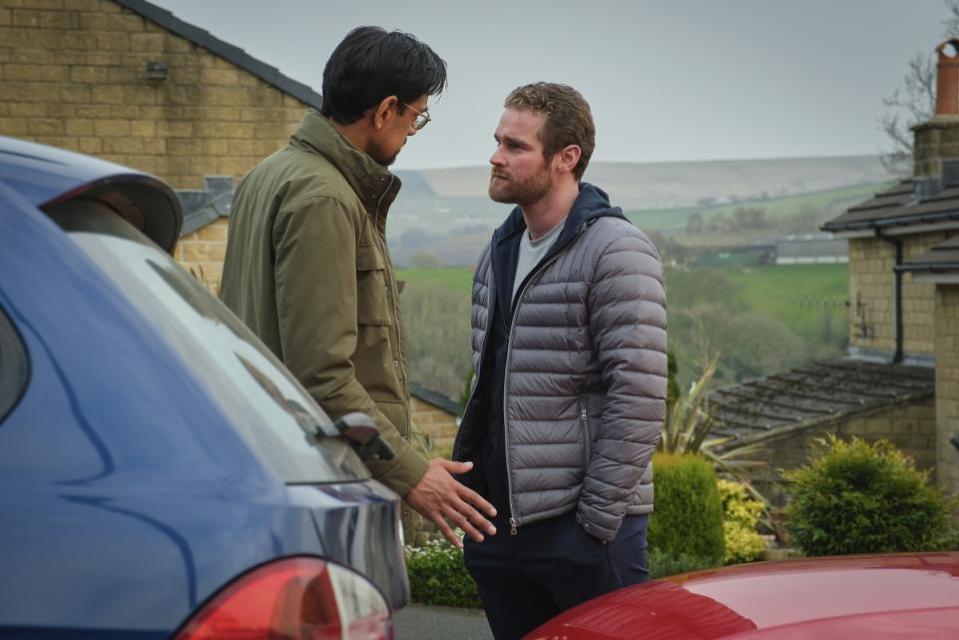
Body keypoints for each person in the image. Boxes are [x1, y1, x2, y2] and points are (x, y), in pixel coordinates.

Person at [219, 26, 496, 548]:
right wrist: (410, 470)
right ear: (386, 109)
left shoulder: (271, 174)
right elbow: (323, 378)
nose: (415, 129)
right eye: (417, 115)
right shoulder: (325, 198)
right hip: (322, 484)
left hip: (278, 470)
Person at [454, 82, 667, 639]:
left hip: (582, 531)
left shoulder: (617, 250)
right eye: (498, 140)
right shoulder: (499, 248)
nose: (496, 156)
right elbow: (488, 384)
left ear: (566, 158)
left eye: (516, 146)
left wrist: (593, 526)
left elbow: (639, 397)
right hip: (501, 527)